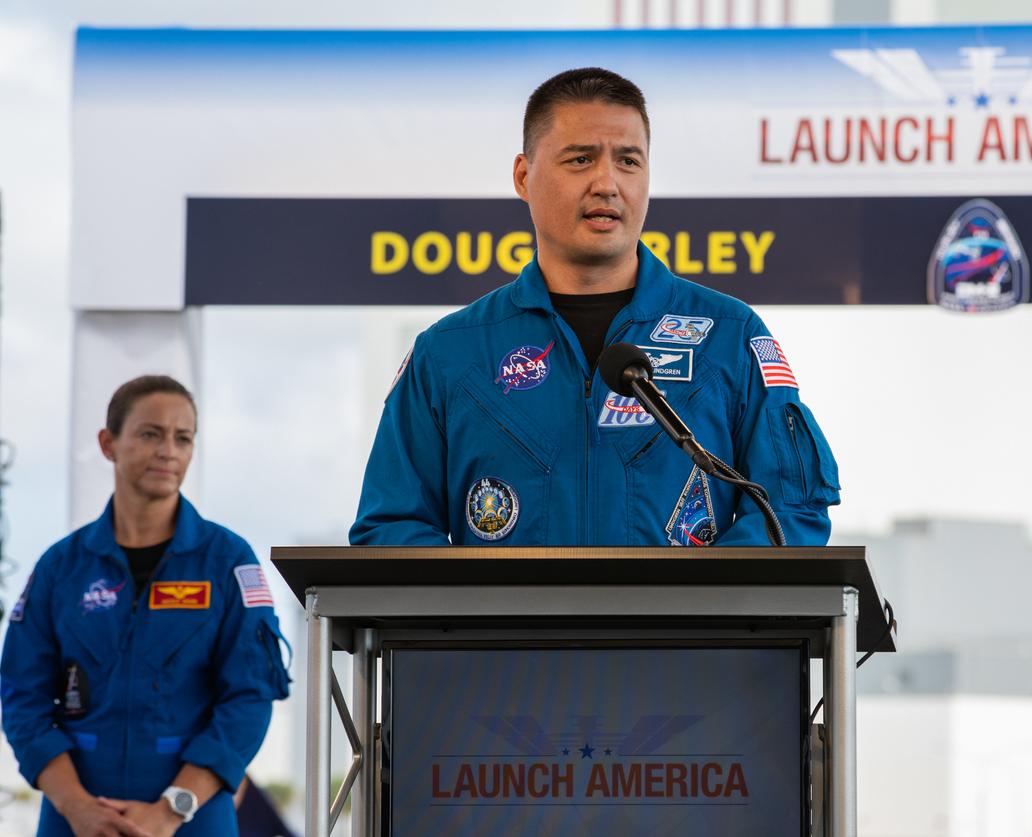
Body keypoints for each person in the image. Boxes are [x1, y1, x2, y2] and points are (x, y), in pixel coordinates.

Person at [350, 67, 839, 547]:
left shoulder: (728, 335)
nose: (607, 183)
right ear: (523, 176)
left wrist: (695, 612)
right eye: (581, 159)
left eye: (628, 161)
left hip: (683, 630)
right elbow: (392, 528)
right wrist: (488, 619)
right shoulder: (447, 353)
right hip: (505, 632)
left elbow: (789, 512)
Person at [1, 376, 290, 836]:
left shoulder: (228, 562)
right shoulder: (61, 568)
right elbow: (21, 696)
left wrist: (169, 811)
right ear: (108, 442)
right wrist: (76, 807)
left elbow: (249, 697)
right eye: (151, 434)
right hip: (77, 816)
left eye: (183, 438)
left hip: (192, 816)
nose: (168, 451)